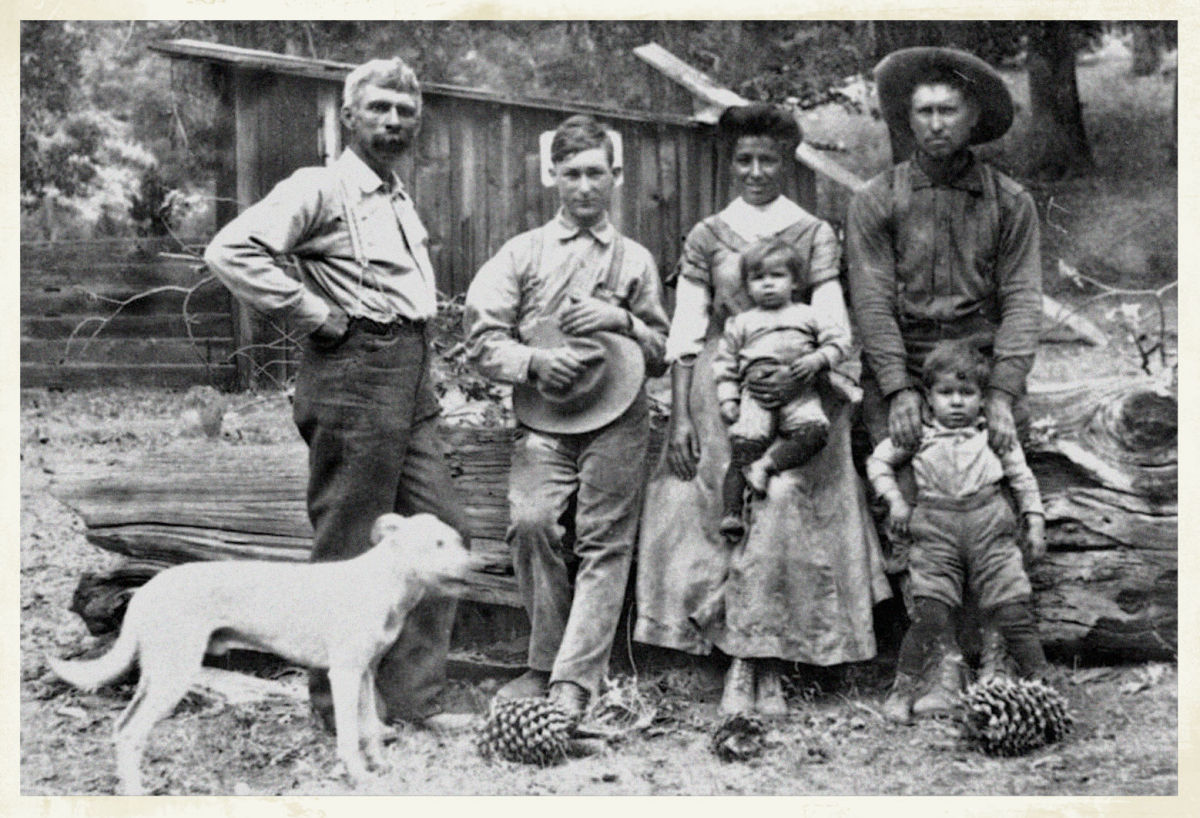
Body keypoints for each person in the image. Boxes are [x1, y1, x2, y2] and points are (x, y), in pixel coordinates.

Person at [204, 57, 472, 732]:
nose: (393, 120)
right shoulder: (321, 187)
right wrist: (314, 314)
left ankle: (413, 699)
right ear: (348, 116)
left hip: (409, 375)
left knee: (443, 530)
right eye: (378, 107)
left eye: (405, 111)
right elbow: (231, 250)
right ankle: (341, 713)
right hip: (353, 372)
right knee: (350, 542)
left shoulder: (397, 196)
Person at [635, 103, 891, 717]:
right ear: (731, 163)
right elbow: (688, 332)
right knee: (707, 491)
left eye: (768, 160)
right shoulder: (708, 234)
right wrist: (681, 418)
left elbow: (832, 323)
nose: (755, 171)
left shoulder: (812, 232)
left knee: (787, 495)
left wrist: (810, 370)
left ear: (787, 163)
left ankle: (773, 656)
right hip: (724, 384)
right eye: (744, 160)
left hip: (802, 383)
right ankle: (723, 654)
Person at [845, 46, 1043, 685]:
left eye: (948, 110)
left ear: (973, 117)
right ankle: (940, 657)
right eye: (923, 111)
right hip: (903, 363)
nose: (935, 123)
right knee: (909, 497)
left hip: (978, 368)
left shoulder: (1008, 201)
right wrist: (899, 388)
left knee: (999, 492)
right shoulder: (877, 199)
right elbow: (871, 300)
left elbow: (1023, 299)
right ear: (908, 119)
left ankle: (1000, 647)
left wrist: (1003, 393)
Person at [463, 115, 670, 720]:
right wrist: (533, 363)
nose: (584, 186)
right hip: (545, 417)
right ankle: (543, 661)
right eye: (572, 173)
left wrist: (623, 321)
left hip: (619, 414)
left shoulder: (635, 260)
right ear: (552, 175)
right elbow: (480, 340)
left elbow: (663, 350)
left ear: (616, 176)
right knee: (531, 522)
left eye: (596, 173)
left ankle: (574, 681)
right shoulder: (521, 253)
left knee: (606, 540)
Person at [867, 341, 1048, 722]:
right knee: (930, 614)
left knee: (1013, 610)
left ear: (982, 399)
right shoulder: (919, 434)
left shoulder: (993, 435)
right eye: (945, 393)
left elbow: (1021, 477)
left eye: (966, 393)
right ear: (928, 398)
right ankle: (904, 689)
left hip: (989, 526)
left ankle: (1041, 691)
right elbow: (878, 463)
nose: (955, 402)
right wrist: (895, 500)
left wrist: (1034, 520)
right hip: (936, 529)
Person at [713, 236, 851, 544]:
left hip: (801, 387)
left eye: (777, 276)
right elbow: (725, 364)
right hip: (756, 393)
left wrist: (817, 359)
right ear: (747, 286)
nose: (768, 284)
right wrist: (728, 398)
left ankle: (767, 465)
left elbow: (840, 342)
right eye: (758, 278)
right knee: (744, 446)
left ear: (794, 281)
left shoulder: (808, 315)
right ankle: (732, 512)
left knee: (815, 432)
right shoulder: (741, 322)